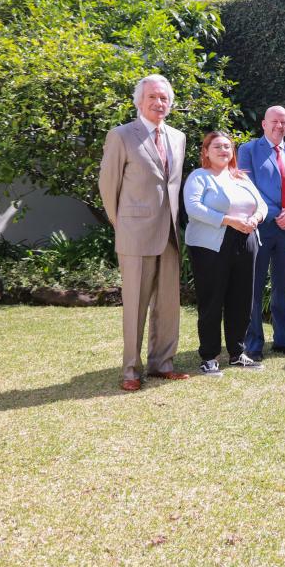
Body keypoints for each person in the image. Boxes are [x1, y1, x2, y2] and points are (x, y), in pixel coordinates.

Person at [98, 74, 189, 391]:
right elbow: (108, 187)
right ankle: (130, 370)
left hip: (169, 236)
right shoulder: (122, 136)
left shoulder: (178, 137)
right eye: (153, 97)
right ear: (140, 101)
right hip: (135, 235)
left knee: (167, 304)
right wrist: (123, 225)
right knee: (135, 305)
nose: (159, 102)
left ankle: (162, 363)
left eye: (164, 97)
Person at [183, 132, 268, 376]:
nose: (223, 151)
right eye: (217, 146)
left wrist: (255, 218)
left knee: (241, 300)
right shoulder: (199, 177)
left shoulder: (240, 177)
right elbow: (194, 207)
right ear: (206, 151)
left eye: (228, 147)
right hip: (211, 246)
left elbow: (261, 204)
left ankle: (237, 353)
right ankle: (209, 357)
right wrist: (228, 220)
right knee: (212, 301)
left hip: (246, 240)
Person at [237, 106, 285, 359]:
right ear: (264, 124)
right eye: (275, 121)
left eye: (284, 122)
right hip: (260, 228)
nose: (279, 126)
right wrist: (274, 213)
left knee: (282, 289)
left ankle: (283, 340)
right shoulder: (248, 151)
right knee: (254, 289)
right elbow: (247, 187)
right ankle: (254, 344)